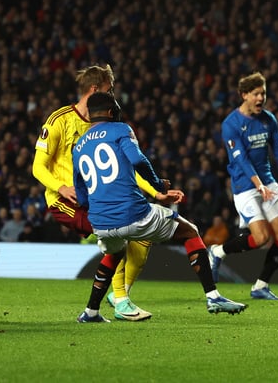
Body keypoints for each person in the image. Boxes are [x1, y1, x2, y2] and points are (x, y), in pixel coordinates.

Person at [73, 92, 245, 322]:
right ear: (112, 111)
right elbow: (137, 160)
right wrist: (157, 186)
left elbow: (81, 194)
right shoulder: (120, 129)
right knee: (189, 230)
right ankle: (213, 296)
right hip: (132, 213)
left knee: (114, 253)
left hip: (101, 222)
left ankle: (91, 312)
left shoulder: (78, 147)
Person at [32, 64, 157, 321]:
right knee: (120, 235)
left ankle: (103, 304)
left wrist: (155, 190)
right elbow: (37, 167)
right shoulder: (59, 121)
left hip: (99, 199)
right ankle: (121, 301)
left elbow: (126, 169)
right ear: (94, 89)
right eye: (109, 90)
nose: (112, 96)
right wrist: (62, 188)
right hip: (65, 202)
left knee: (142, 237)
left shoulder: (106, 127)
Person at [208, 72, 278, 300]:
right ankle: (217, 251)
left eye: (263, 93)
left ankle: (260, 286)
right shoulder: (231, 124)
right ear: (244, 95)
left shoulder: (268, 120)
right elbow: (241, 159)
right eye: (256, 94)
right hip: (245, 186)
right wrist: (258, 185)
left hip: (268, 182)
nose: (261, 98)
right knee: (260, 239)